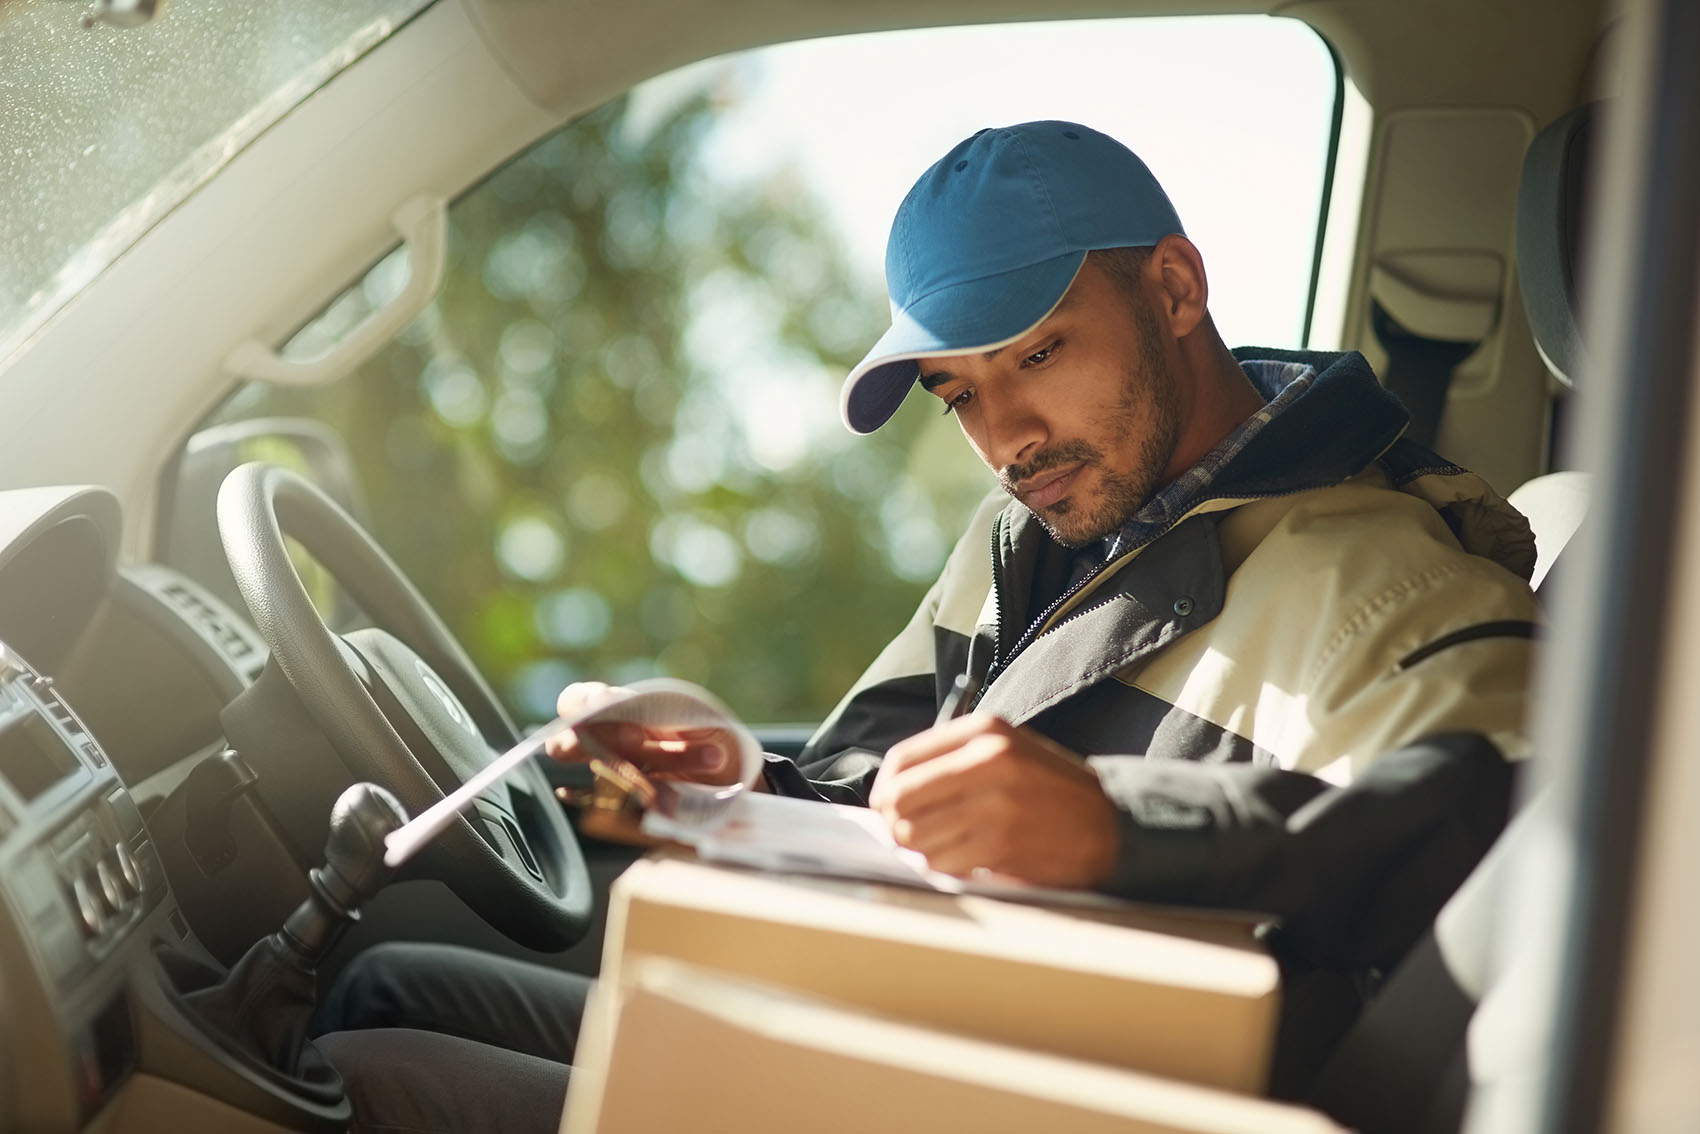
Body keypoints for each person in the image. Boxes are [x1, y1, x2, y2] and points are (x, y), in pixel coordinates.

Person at [315, 120, 1538, 1130]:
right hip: (903, 1007)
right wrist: (718, 781)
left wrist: (1120, 830)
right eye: (958, 392)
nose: (1004, 439)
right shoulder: (1028, 540)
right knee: (383, 984)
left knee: (374, 1089)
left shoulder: (1384, 577)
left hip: (1058, 1089)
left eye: (1036, 355)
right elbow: (862, 797)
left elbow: (1509, 839)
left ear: (1173, 288)